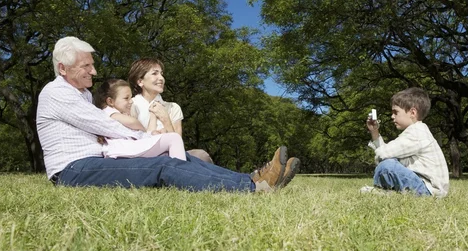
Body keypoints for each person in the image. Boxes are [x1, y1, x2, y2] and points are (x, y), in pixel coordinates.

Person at [36, 36, 300, 192]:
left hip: (96, 161)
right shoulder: (56, 92)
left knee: (175, 155)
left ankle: (252, 178)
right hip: (74, 171)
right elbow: (104, 125)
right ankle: (254, 189)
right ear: (63, 68)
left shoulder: (80, 93)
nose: (93, 72)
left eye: (92, 65)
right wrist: (140, 134)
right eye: (86, 66)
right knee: (162, 164)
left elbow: (105, 127)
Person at [360, 88, 449, 197]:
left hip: (428, 190)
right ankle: (391, 193)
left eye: (395, 112)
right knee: (388, 163)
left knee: (387, 165)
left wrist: (381, 158)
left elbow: (383, 154)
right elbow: (387, 152)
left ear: (412, 112)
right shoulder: (418, 131)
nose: (392, 116)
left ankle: (384, 192)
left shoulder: (416, 133)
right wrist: (374, 131)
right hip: (427, 187)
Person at [127, 57, 213, 163]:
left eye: (161, 73)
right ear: (140, 81)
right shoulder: (130, 105)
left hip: (172, 157)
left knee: (200, 155)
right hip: (143, 159)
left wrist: (166, 120)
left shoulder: (173, 107)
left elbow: (179, 144)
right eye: (155, 73)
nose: (161, 78)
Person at [92, 78, 187, 161]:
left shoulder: (119, 113)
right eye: (126, 98)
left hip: (128, 148)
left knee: (167, 146)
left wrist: (151, 134)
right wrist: (143, 129)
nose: (131, 101)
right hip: (123, 149)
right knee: (174, 138)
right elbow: (133, 122)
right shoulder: (108, 111)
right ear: (110, 101)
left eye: (130, 97)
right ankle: (182, 173)